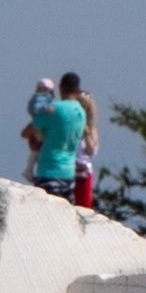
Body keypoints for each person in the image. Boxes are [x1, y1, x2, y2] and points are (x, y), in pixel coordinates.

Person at [23, 76, 88, 203]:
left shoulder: (54, 109)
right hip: (69, 174)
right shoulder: (81, 112)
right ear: (77, 89)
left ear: (61, 88)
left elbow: (26, 132)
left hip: (48, 171)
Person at [59, 70, 100, 211]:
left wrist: (87, 134)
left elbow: (91, 153)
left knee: (83, 208)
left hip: (82, 172)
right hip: (66, 169)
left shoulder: (92, 130)